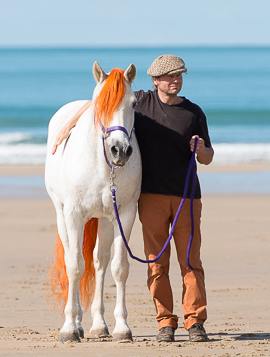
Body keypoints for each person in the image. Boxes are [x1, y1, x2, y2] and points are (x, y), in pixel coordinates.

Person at [51, 54, 214, 342]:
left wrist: (200, 149)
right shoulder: (143, 101)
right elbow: (104, 99)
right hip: (153, 197)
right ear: (155, 81)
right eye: (169, 76)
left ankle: (194, 322)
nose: (175, 80)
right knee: (156, 262)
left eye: (179, 75)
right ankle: (164, 322)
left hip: (186, 197)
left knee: (190, 260)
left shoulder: (194, 112)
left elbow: (209, 157)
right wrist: (69, 124)